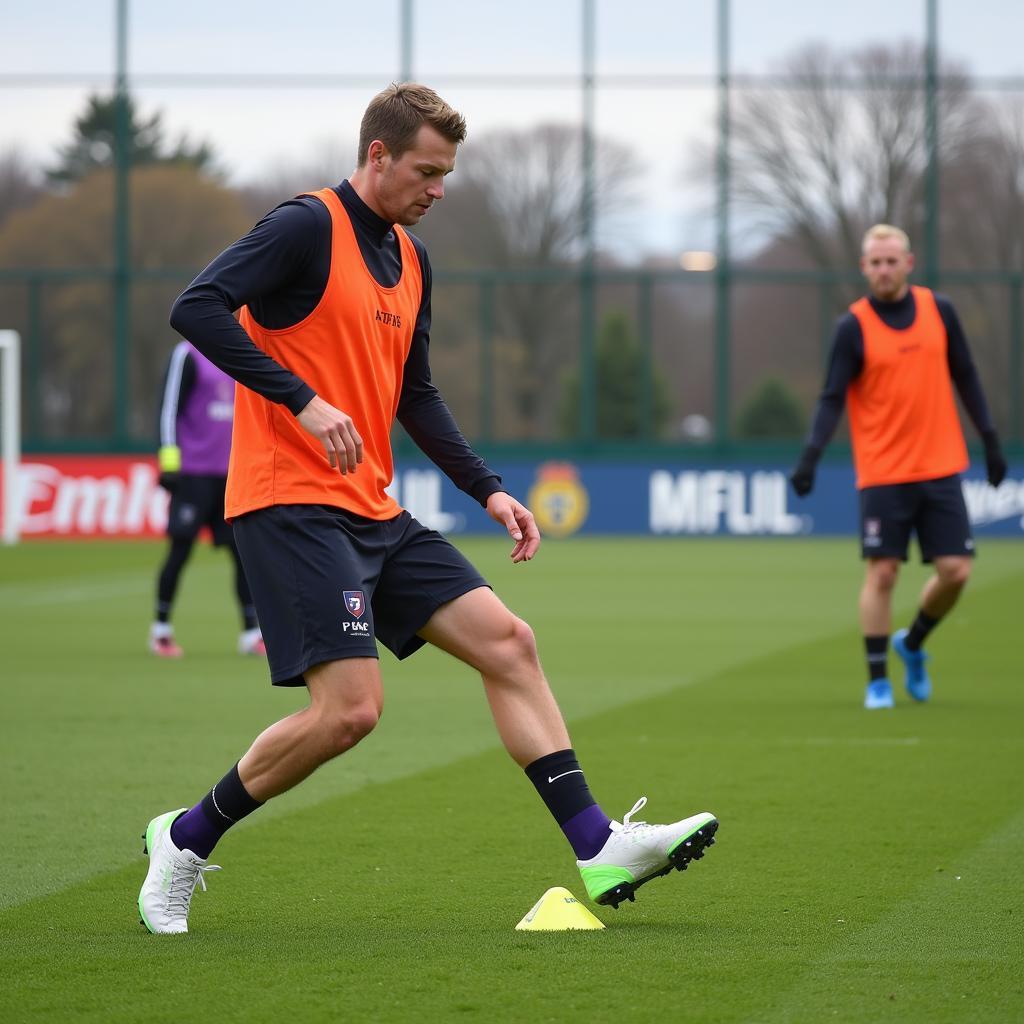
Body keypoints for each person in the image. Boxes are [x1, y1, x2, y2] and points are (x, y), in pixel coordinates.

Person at [137, 83, 719, 934]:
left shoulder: (413, 260)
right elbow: (196, 307)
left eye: (445, 174)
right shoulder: (304, 226)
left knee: (510, 643)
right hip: (288, 502)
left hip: (368, 504)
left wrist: (485, 487)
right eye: (426, 171)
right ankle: (183, 842)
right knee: (350, 713)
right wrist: (301, 400)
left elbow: (416, 394)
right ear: (377, 155)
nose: (437, 190)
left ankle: (597, 846)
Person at [790, 224, 1007, 710]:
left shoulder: (939, 311)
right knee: (883, 572)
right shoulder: (853, 326)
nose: (884, 270)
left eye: (893, 261)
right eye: (876, 262)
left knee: (956, 571)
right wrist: (810, 456)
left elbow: (967, 376)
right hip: (884, 472)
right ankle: (877, 681)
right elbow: (831, 398)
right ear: (864, 268)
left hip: (941, 465)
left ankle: (912, 644)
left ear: (909, 263)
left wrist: (990, 439)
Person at [150, 339, 266, 658]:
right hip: (193, 473)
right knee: (180, 549)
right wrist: (169, 461)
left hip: (232, 474)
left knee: (242, 552)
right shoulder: (187, 354)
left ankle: (251, 632)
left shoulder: (241, 350)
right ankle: (161, 630)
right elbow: (168, 406)